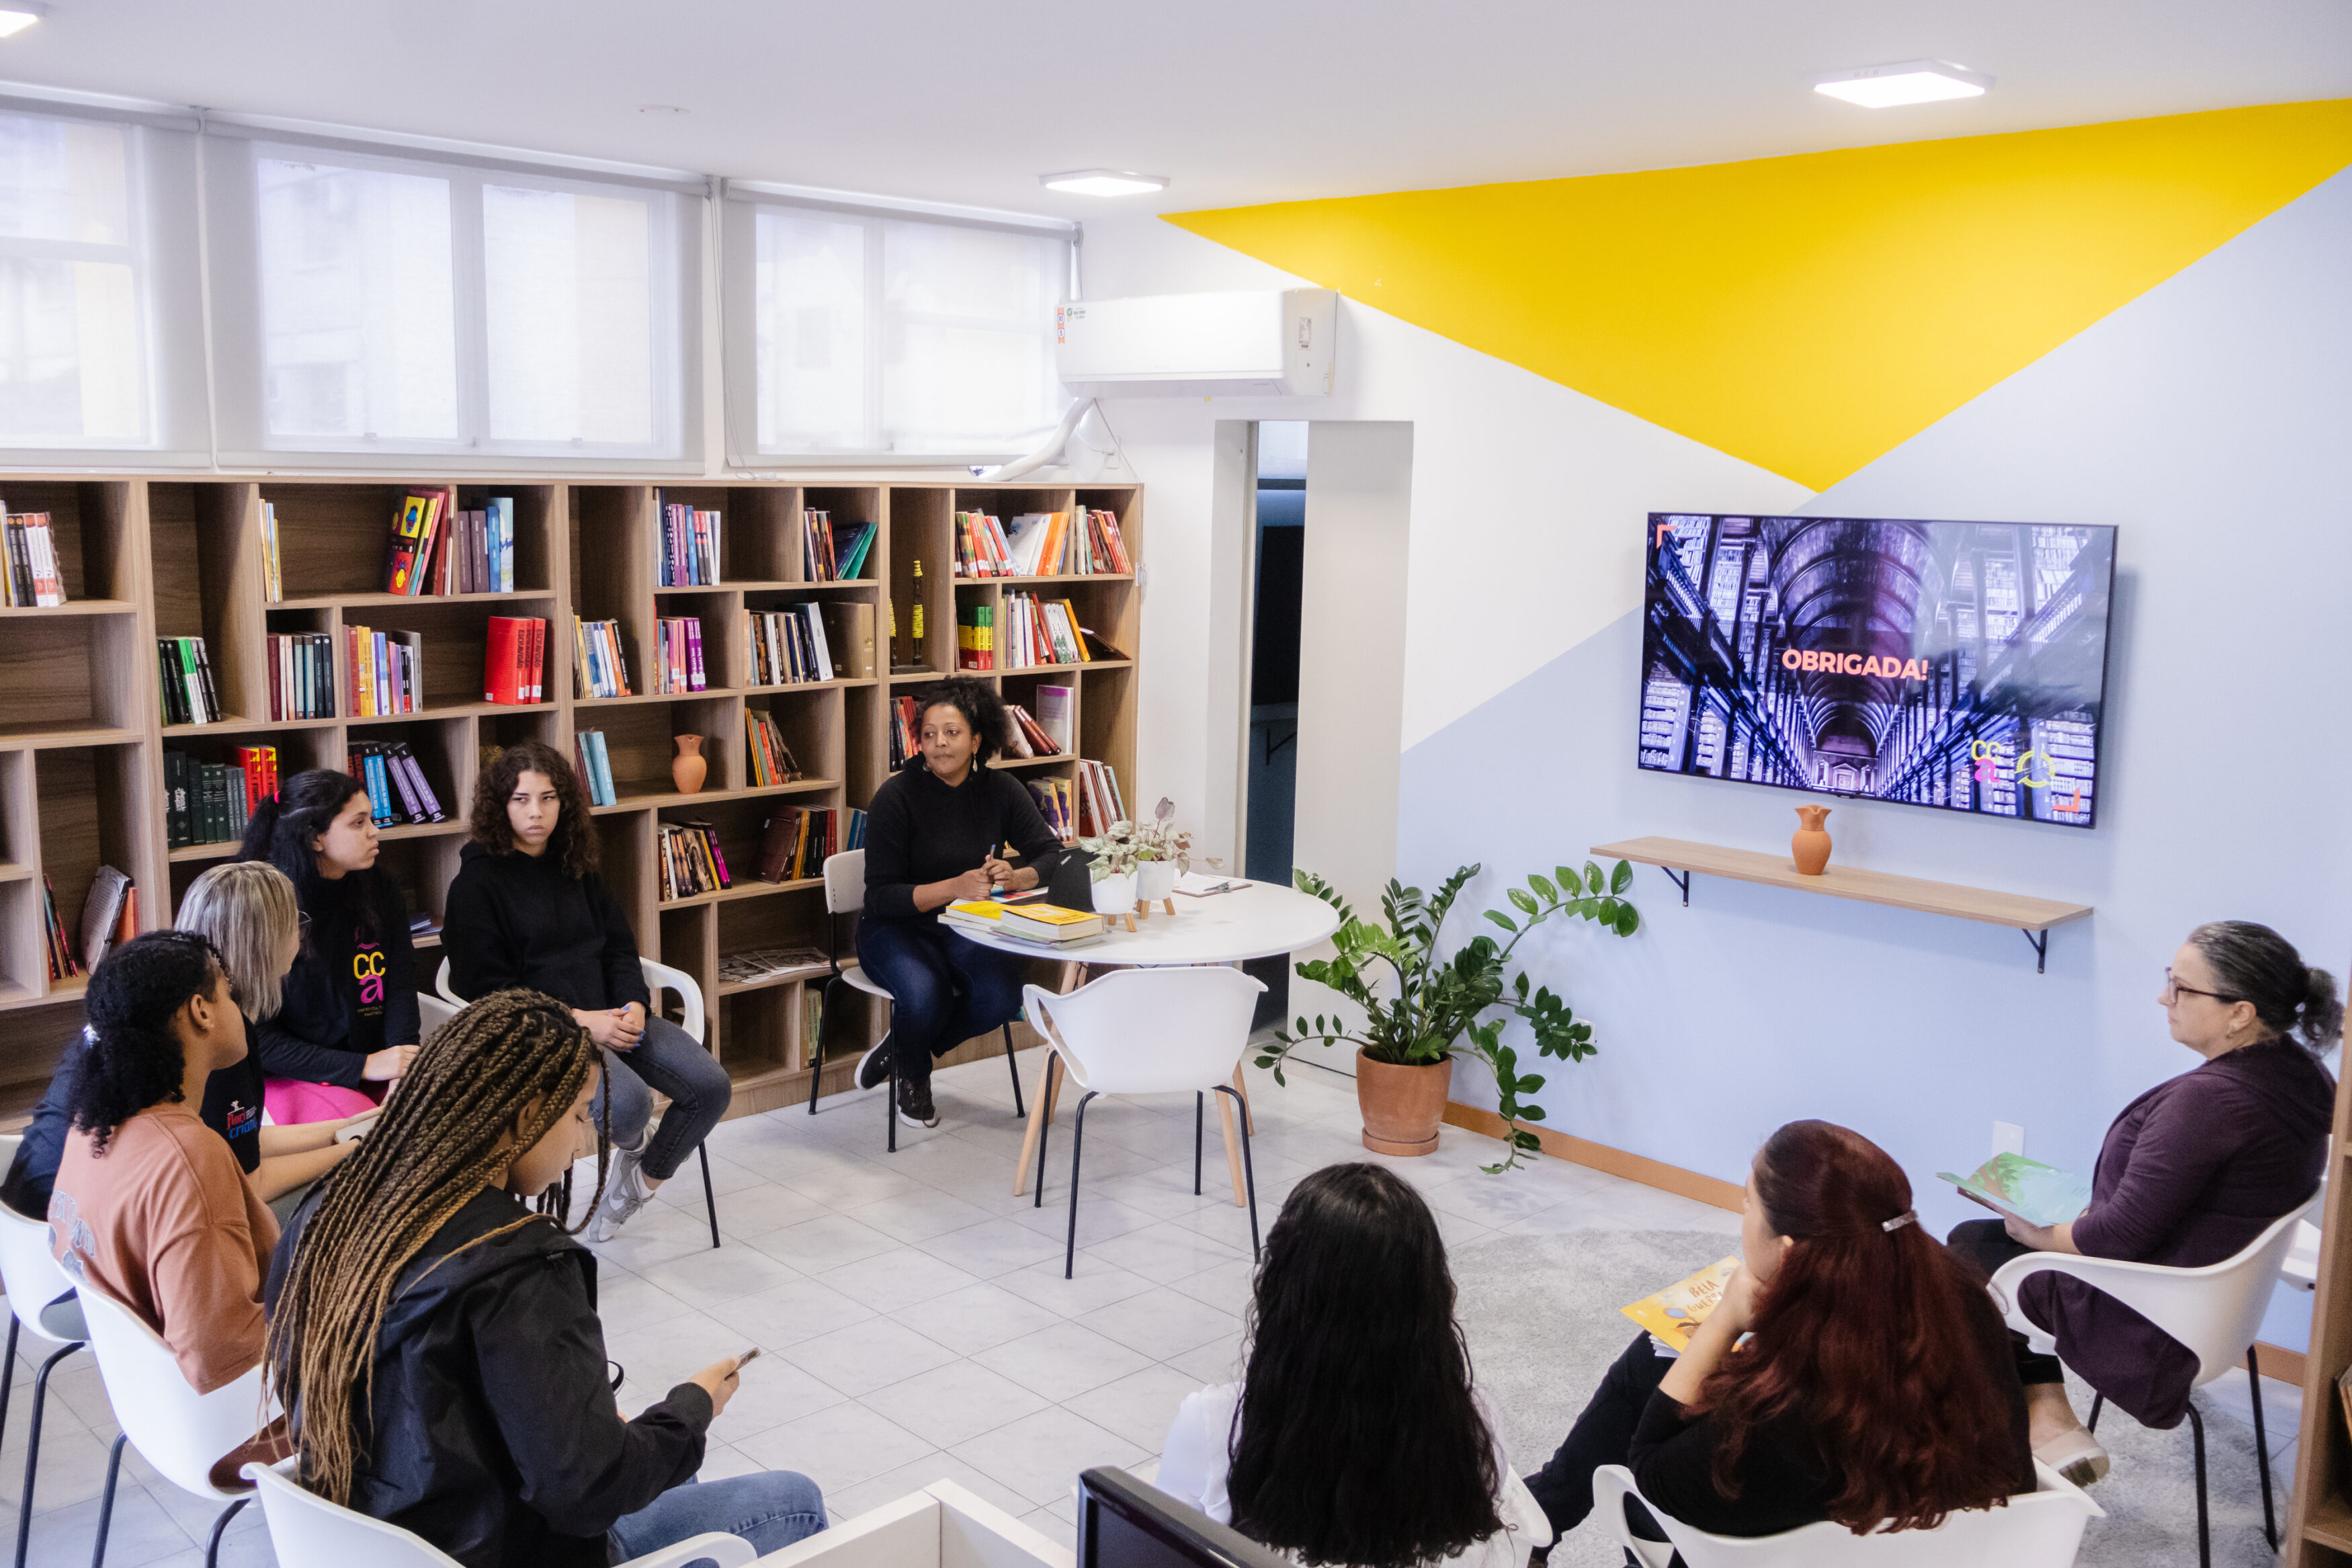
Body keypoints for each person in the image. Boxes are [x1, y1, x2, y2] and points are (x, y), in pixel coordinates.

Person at [265, 990, 825, 1568]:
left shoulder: (325, 1213)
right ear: (528, 1115)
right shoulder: (522, 1268)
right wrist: (692, 1409)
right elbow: (587, 1494)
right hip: (506, 1549)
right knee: (794, 1502)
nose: (584, 1141)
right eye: (580, 1114)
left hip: (380, 1533)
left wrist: (596, 1430)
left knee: (658, 1459)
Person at [1947, 920, 2338, 1487]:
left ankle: (2037, 1420)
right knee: (1984, 1242)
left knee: (1965, 1254)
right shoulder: (2302, 1076)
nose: (2164, 998)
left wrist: (2038, 1233)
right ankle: (2048, 1413)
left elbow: (2112, 1240)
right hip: (2221, 1302)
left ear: (2241, 1013)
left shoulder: (2210, 1104)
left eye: (2182, 988)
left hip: (2152, 1314)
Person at [1526, 1121, 2033, 1551]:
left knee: (1667, 1359)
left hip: (1803, 1547)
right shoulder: (1960, 1303)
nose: (1743, 1217)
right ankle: (1547, 1505)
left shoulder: (1783, 1412)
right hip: (1960, 1543)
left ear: (1788, 1254)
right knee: (1659, 1348)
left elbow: (1652, 1470)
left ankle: (1541, 1515)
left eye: (1748, 1205)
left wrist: (1726, 1318)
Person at [1157, 1163, 1550, 1568]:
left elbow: (1152, 1552)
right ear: (1431, 1298)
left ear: (1281, 1293)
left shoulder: (1213, 1425)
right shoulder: (1475, 1427)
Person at [442, 740, 730, 1242]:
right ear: (499, 806)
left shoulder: (576, 863)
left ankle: (635, 1186)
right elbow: (490, 995)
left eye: (549, 798)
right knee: (631, 1105)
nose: (537, 812)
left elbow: (620, 947)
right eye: (522, 799)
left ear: (564, 802)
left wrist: (635, 1004)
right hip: (542, 1031)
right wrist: (582, 1020)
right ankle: (636, 1148)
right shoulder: (476, 886)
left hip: (614, 1016)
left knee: (711, 1087)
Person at [3, 863, 366, 1227]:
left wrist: (350, 1127)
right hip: (80, 1233)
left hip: (31, 1214)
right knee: (345, 1194)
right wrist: (355, 1151)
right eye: (295, 921)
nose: (301, 935)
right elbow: (249, 1182)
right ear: (266, 940)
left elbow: (240, 1143)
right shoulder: (218, 1032)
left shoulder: (151, 1000)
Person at [48, 931, 281, 1437]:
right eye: (228, 990)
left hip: (153, 1410)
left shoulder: (92, 1124)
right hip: (234, 1425)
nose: (238, 1006)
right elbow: (222, 1357)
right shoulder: (189, 1159)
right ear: (201, 1011)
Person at [855, 678, 1062, 1128]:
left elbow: (1050, 855)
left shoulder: (1002, 790)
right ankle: (914, 1074)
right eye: (929, 734)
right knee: (923, 995)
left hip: (967, 925)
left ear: (976, 740)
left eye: (951, 733)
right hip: (894, 929)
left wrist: (1017, 874)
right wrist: (956, 886)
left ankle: (903, 1047)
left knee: (1002, 996)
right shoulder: (896, 797)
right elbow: (881, 896)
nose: (938, 744)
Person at [236, 768, 423, 1123]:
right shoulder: (265, 905)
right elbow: (259, 1038)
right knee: (368, 1130)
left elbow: (399, 982)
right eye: (358, 823)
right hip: (293, 1073)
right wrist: (363, 1066)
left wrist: (402, 1065)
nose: (375, 831)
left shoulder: (380, 887)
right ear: (315, 839)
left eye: (371, 819)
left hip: (374, 1062)